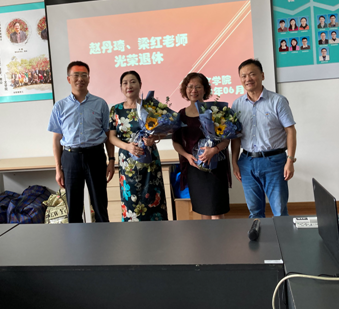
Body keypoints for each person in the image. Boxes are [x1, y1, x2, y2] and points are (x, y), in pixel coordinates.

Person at [48, 61, 115, 223]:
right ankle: (76, 238)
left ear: (89, 78)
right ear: (68, 79)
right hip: (71, 158)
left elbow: (108, 135)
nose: (80, 79)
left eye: (84, 75)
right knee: (74, 207)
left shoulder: (100, 104)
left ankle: (105, 236)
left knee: (100, 204)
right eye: (76, 75)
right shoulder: (60, 106)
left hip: (96, 156)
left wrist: (112, 160)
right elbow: (56, 139)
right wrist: (58, 168)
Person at [231, 59, 296, 218]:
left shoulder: (277, 101)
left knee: (279, 211)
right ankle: (258, 235)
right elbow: (236, 137)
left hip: (274, 161)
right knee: (254, 211)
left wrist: (290, 160)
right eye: (243, 76)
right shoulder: (237, 105)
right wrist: (234, 162)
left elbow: (290, 131)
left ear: (262, 75)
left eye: (252, 74)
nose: (248, 79)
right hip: (247, 162)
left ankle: (282, 235)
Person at [108, 71, 168, 222]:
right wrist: (127, 146)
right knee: (131, 203)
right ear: (121, 87)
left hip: (150, 162)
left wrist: (154, 138)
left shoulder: (150, 107)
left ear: (140, 84)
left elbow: (165, 131)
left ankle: (158, 233)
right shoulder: (116, 110)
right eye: (125, 83)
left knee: (154, 200)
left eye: (133, 82)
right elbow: (111, 137)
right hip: (128, 163)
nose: (129, 86)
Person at [172, 73, 231, 220]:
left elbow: (226, 140)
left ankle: (221, 236)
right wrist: (187, 156)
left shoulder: (215, 111)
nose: (194, 90)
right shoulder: (181, 114)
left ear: (205, 90)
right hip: (194, 167)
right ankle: (207, 236)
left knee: (216, 211)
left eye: (198, 87)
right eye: (190, 87)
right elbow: (176, 142)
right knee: (203, 210)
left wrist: (214, 150)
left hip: (215, 167)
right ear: (185, 90)